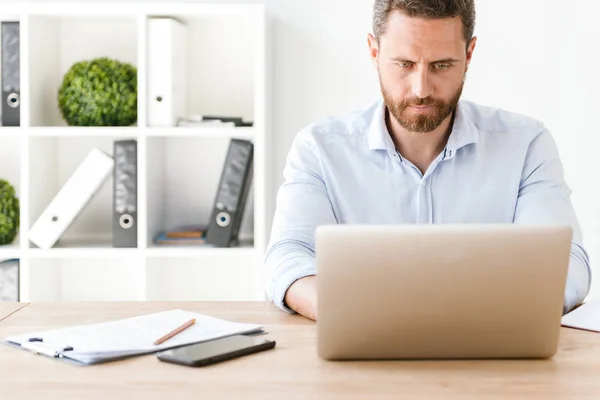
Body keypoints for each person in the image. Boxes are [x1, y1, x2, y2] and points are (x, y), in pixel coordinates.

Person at [263, 0, 591, 321]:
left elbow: (567, 264)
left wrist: (464, 314)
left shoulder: (525, 144)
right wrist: (352, 313)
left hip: (489, 357)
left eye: (441, 65)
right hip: (362, 346)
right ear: (374, 52)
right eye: (404, 64)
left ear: (469, 54)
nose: (421, 89)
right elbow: (288, 256)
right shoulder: (319, 148)